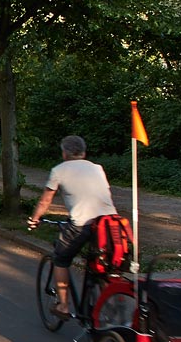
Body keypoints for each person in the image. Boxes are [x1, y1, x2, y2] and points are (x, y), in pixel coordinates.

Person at [27, 135, 117, 319]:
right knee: (103, 265)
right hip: (108, 224)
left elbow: (45, 201)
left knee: (61, 258)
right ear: (84, 152)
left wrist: (34, 219)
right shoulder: (97, 168)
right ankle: (114, 308)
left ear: (64, 153)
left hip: (81, 224)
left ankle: (63, 305)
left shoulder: (59, 170)